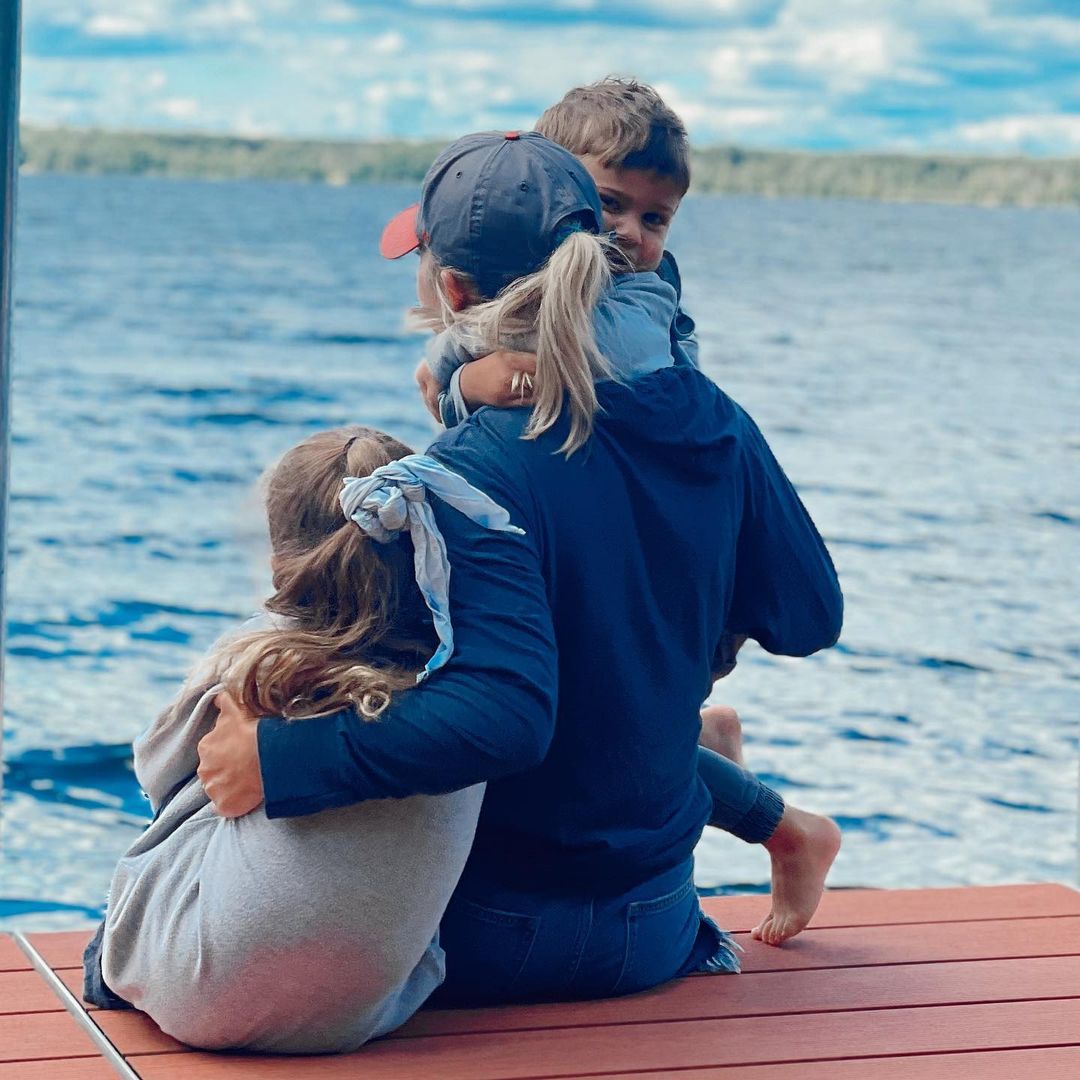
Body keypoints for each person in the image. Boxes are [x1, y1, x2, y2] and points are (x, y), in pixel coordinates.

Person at [198, 130, 844, 1007]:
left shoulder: (474, 464)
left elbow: (506, 719)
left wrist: (285, 762)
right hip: (656, 922)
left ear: (452, 289)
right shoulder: (709, 416)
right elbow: (811, 614)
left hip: (498, 938)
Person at [398, 78, 842, 947]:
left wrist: (462, 385)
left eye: (654, 218)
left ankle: (740, 784)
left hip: (526, 905)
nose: (629, 237)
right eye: (608, 207)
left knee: (551, 698)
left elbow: (564, 370)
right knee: (599, 695)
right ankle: (729, 772)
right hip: (644, 631)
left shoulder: (626, 327)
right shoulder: (685, 394)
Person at [82, 426, 532, 1050]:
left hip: (194, 998)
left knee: (183, 805)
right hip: (361, 1017)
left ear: (278, 561)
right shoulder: (469, 682)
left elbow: (157, 768)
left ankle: (119, 959)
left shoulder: (257, 653)